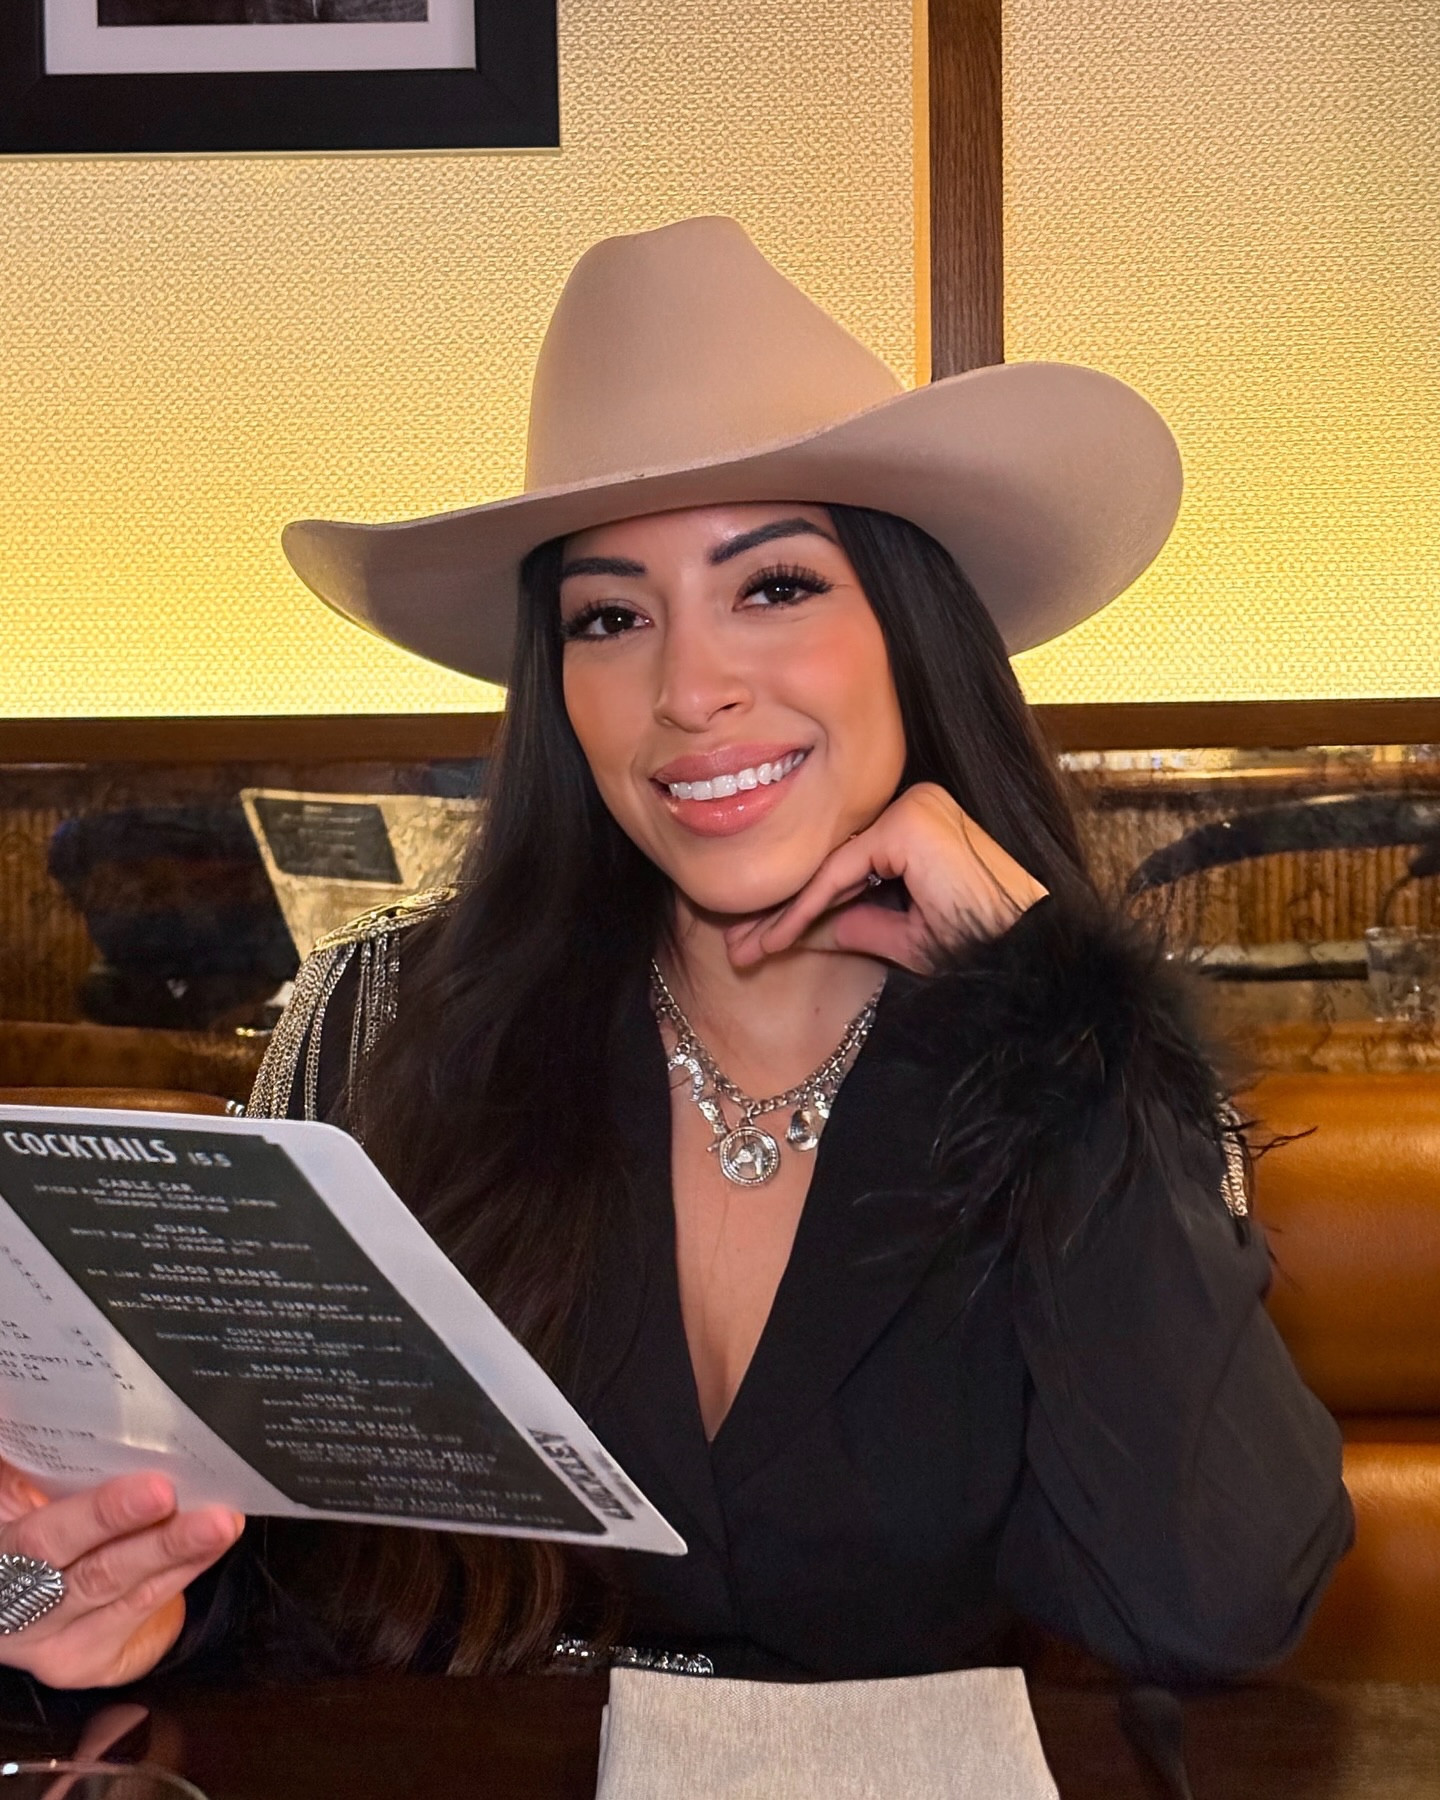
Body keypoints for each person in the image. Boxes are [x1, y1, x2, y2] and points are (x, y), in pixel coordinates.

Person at [0, 218, 1351, 1691]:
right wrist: (119, 1609)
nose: (689, 687)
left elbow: (1211, 1608)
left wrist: (1052, 1010)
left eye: (773, 586)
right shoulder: (377, 1019)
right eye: (610, 617)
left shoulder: (1086, 1064)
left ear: (910, 630)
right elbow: (262, 1550)